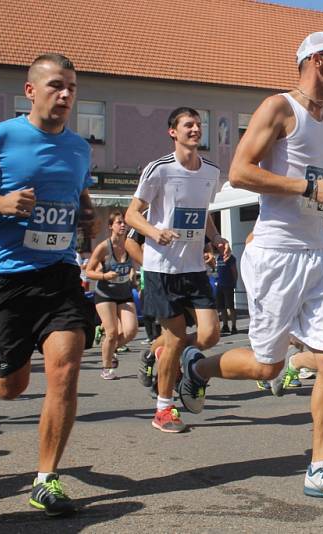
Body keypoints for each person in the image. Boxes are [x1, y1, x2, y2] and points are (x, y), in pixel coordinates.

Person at [174, 32, 323, 503]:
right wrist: (307, 190)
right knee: (268, 367)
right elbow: (240, 171)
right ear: (318, 61)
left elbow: (312, 185)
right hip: (276, 256)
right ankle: (198, 369)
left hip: (319, 251)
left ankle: (321, 467)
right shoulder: (278, 107)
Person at [0, 53, 96, 515]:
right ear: (30, 91)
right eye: (56, 85)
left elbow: (76, 186)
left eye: (72, 87)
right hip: (7, 277)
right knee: (10, 385)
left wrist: (85, 208)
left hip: (58, 275)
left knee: (65, 370)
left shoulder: (80, 147)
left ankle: (45, 479)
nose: (66, 94)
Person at [124, 106, 222, 433]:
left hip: (194, 267)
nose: (195, 129)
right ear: (173, 132)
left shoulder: (210, 171)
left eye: (198, 124)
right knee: (178, 336)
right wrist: (155, 233)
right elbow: (132, 215)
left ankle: (160, 352)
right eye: (188, 125)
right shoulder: (159, 170)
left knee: (209, 334)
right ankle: (163, 409)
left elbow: (203, 212)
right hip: (161, 267)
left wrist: (216, 237)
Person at [85, 210, 138, 380]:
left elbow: (133, 264)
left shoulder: (130, 245)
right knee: (112, 332)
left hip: (124, 293)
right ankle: (106, 367)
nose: (123, 225)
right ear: (111, 227)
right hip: (105, 294)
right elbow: (88, 271)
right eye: (119, 222)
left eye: (124, 222)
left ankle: (111, 349)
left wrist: (132, 274)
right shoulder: (103, 247)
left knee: (131, 331)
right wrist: (104, 276)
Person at [215, 248, 238, 335]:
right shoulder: (219, 258)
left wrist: (234, 283)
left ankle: (234, 326)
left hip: (228, 285)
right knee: (221, 307)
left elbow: (234, 271)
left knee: (230, 306)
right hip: (219, 285)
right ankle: (225, 326)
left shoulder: (231, 258)